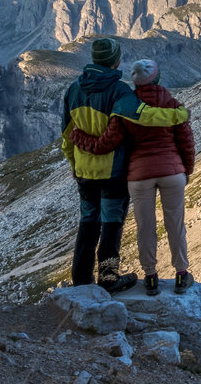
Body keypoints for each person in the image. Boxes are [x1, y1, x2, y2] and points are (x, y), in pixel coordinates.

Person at [60, 37, 190, 291]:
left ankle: (81, 280)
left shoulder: (73, 90)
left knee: (88, 222)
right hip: (112, 172)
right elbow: (145, 115)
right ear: (115, 60)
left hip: (85, 171)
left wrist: (73, 163)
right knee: (111, 223)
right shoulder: (119, 90)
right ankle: (108, 278)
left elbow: (67, 134)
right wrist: (178, 114)